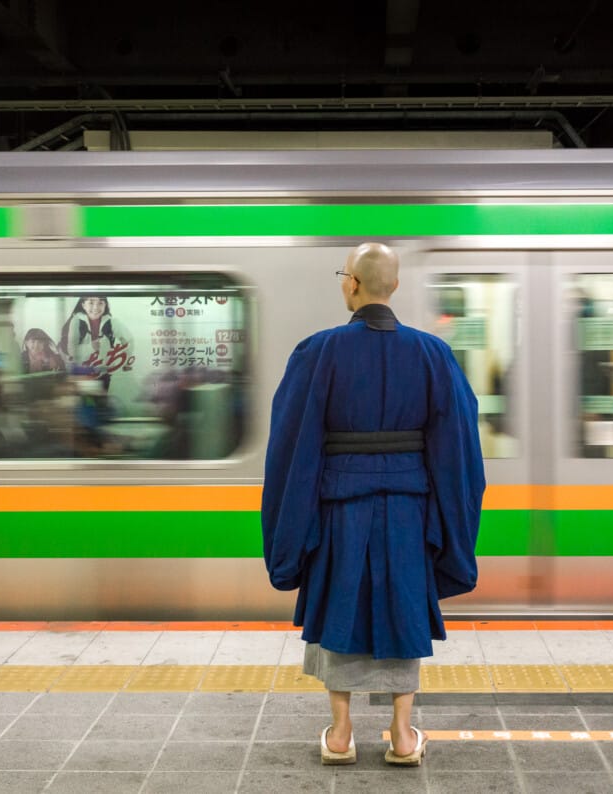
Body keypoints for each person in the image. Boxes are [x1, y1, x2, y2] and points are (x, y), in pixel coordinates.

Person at [262, 242, 485, 767]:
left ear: (353, 284)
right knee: (402, 610)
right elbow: (459, 449)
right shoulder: (434, 354)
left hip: (340, 508)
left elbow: (291, 444)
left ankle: (340, 735)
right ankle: (403, 735)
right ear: (397, 286)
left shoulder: (317, 352)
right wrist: (450, 522)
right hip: (409, 510)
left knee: (340, 608)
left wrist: (292, 527)